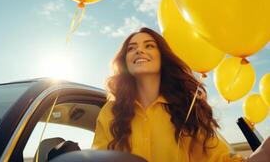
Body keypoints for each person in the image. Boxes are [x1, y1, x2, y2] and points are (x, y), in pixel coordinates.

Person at [92, 27, 244, 162]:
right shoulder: (110, 112)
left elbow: (218, 158)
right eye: (131, 48)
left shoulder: (188, 109)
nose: (139, 50)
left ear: (162, 57)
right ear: (125, 62)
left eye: (149, 45)